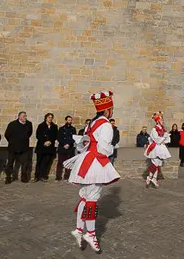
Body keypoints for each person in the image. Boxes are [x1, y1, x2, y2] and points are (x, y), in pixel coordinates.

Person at [64, 91, 120, 253]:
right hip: (95, 162)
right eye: (111, 108)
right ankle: (91, 233)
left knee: (85, 196)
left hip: (86, 160)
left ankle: (79, 229)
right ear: (107, 110)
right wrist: (112, 147)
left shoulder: (91, 124)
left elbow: (83, 144)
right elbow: (103, 148)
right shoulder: (106, 125)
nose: (112, 111)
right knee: (92, 198)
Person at [144, 112, 172, 187]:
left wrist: (166, 137)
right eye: (161, 120)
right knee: (155, 163)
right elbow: (156, 139)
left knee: (158, 163)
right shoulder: (154, 129)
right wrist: (163, 137)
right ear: (158, 121)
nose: (163, 121)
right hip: (156, 147)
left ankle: (154, 178)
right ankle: (150, 177)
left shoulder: (163, 129)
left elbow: (166, 139)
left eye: (162, 120)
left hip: (161, 147)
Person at [4, 111, 33, 184]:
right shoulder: (12, 124)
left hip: (24, 148)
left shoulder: (29, 124)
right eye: (23, 116)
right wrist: (12, 142)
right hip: (13, 147)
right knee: (10, 163)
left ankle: (24, 177)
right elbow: (7, 134)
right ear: (19, 117)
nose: (25, 117)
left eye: (26, 116)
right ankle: (8, 177)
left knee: (25, 164)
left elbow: (29, 133)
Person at [34, 113, 58, 182]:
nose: (50, 119)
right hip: (41, 146)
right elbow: (38, 135)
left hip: (50, 147)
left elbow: (55, 135)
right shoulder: (41, 126)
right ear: (46, 118)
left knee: (46, 162)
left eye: (51, 117)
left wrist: (50, 141)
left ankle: (43, 176)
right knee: (39, 162)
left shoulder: (54, 126)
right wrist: (44, 142)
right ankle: (37, 176)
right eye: (49, 117)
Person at [56, 116, 76, 181]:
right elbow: (59, 137)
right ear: (66, 120)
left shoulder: (73, 129)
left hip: (70, 148)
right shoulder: (61, 129)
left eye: (70, 120)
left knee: (69, 163)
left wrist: (68, 144)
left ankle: (67, 176)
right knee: (60, 163)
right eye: (68, 120)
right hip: (62, 147)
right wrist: (64, 144)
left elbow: (74, 138)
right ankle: (58, 177)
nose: (69, 121)